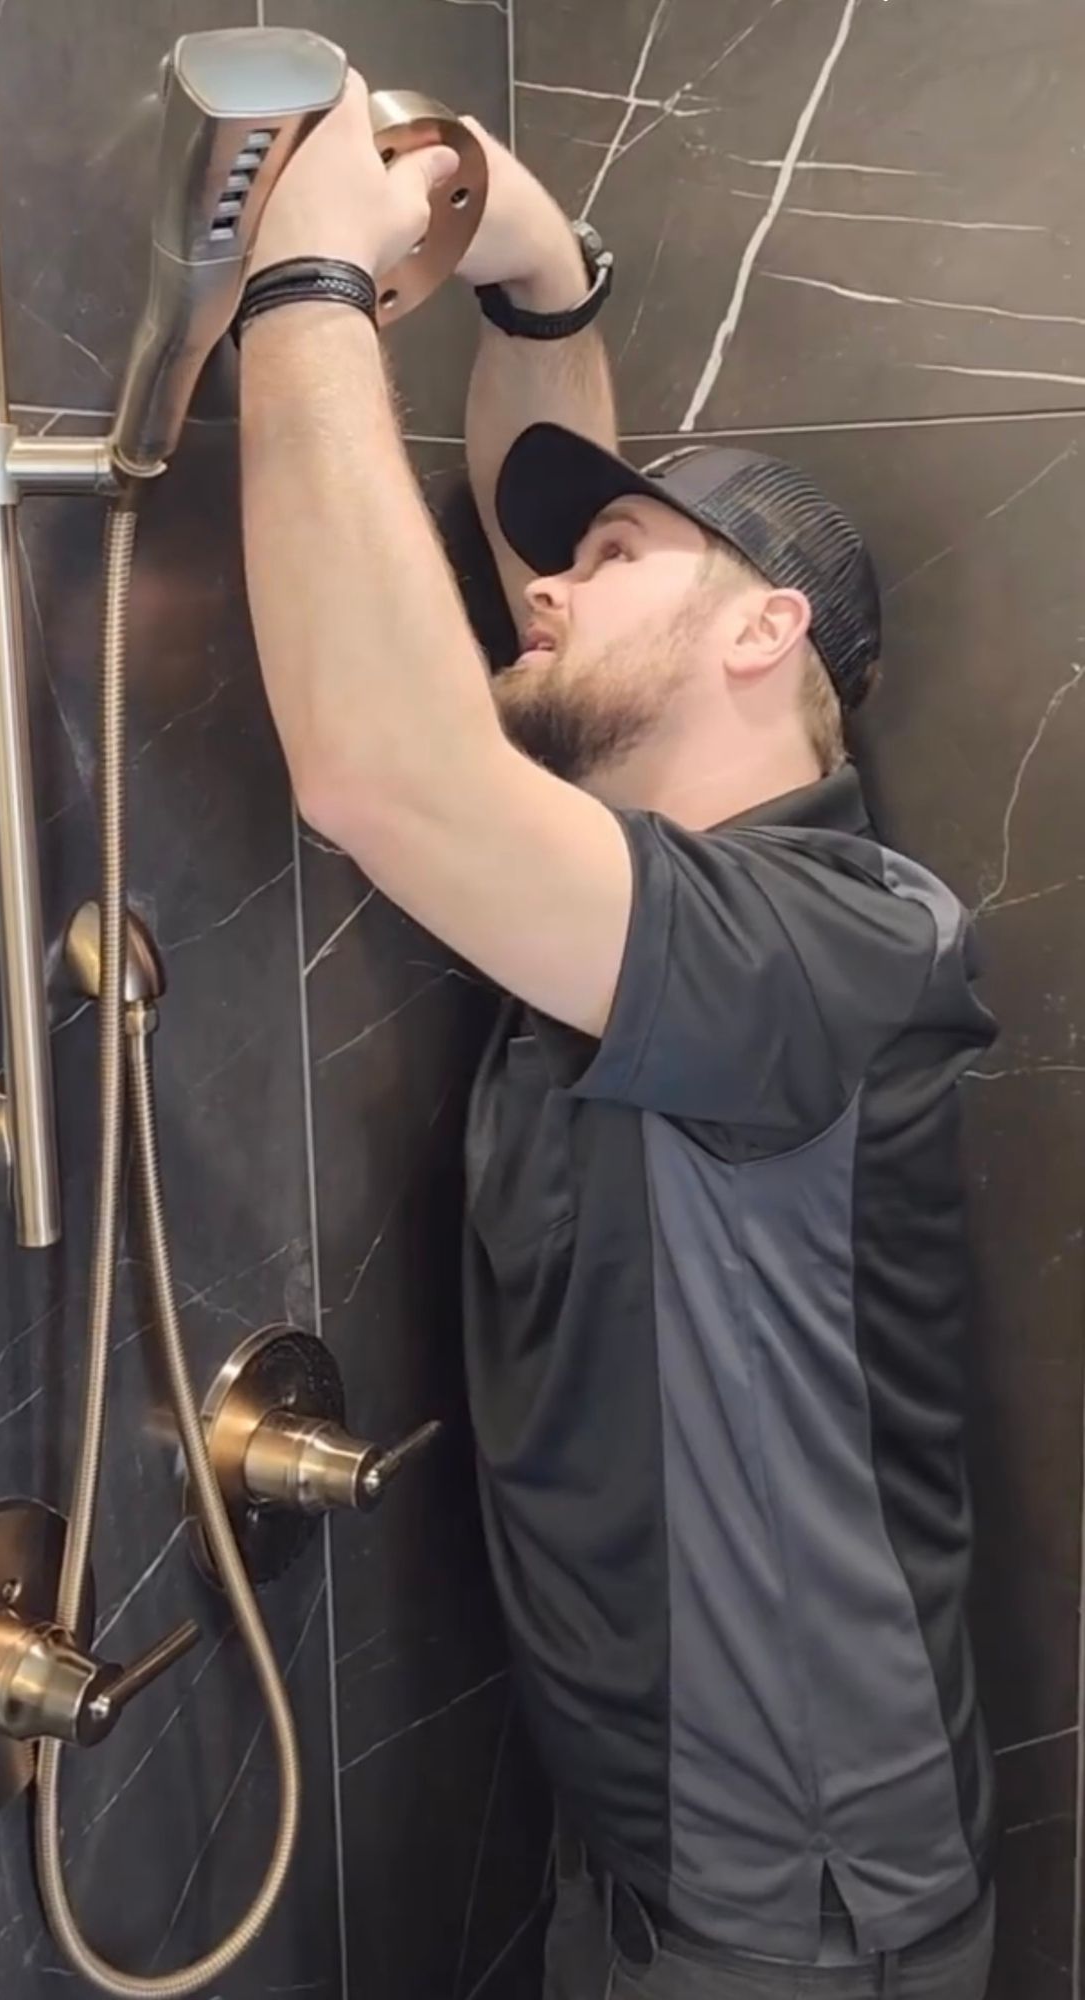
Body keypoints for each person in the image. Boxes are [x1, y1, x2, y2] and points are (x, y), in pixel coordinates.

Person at [238, 73, 998, 2000]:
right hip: (652, 1858)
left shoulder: (838, 947)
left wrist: (302, 284)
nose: (546, 591)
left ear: (766, 637)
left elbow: (381, 769)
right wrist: (534, 270)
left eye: (620, 554)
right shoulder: (634, 900)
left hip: (803, 1912)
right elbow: (525, 583)